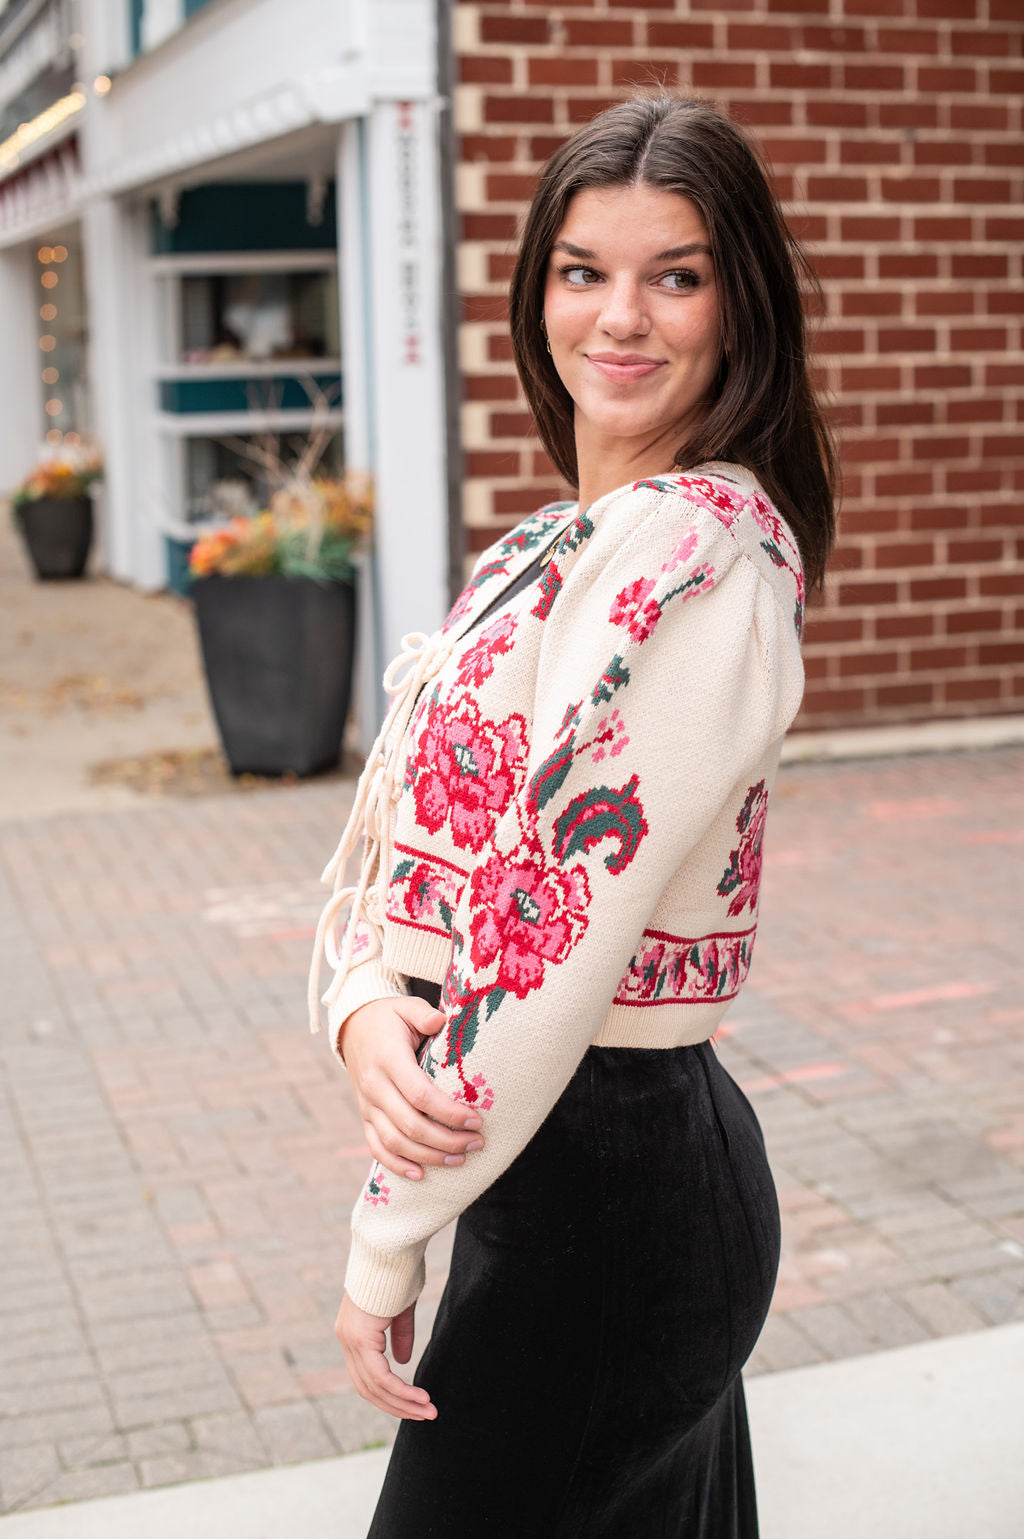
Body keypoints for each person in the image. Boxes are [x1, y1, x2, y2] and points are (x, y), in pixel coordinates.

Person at [307, 93, 836, 1537]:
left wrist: (384, 1248)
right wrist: (362, 998)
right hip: (564, 1173)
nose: (622, 318)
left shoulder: (700, 560)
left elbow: (542, 935)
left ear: (741, 306)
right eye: (583, 271)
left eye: (677, 275)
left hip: (612, 1188)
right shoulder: (562, 540)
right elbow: (428, 839)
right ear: (538, 285)